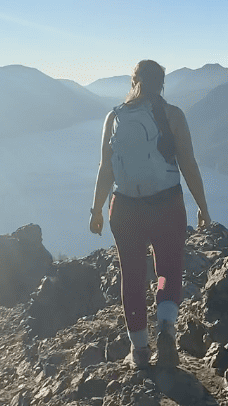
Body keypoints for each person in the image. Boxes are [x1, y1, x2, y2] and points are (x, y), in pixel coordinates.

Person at [90, 60, 211, 368]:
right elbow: (188, 165)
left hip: (125, 209)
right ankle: (167, 330)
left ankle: (140, 351)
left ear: (133, 83)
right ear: (162, 84)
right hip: (166, 205)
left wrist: (96, 210)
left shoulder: (113, 117)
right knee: (167, 270)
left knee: (131, 276)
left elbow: (105, 169)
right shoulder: (172, 115)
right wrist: (203, 207)